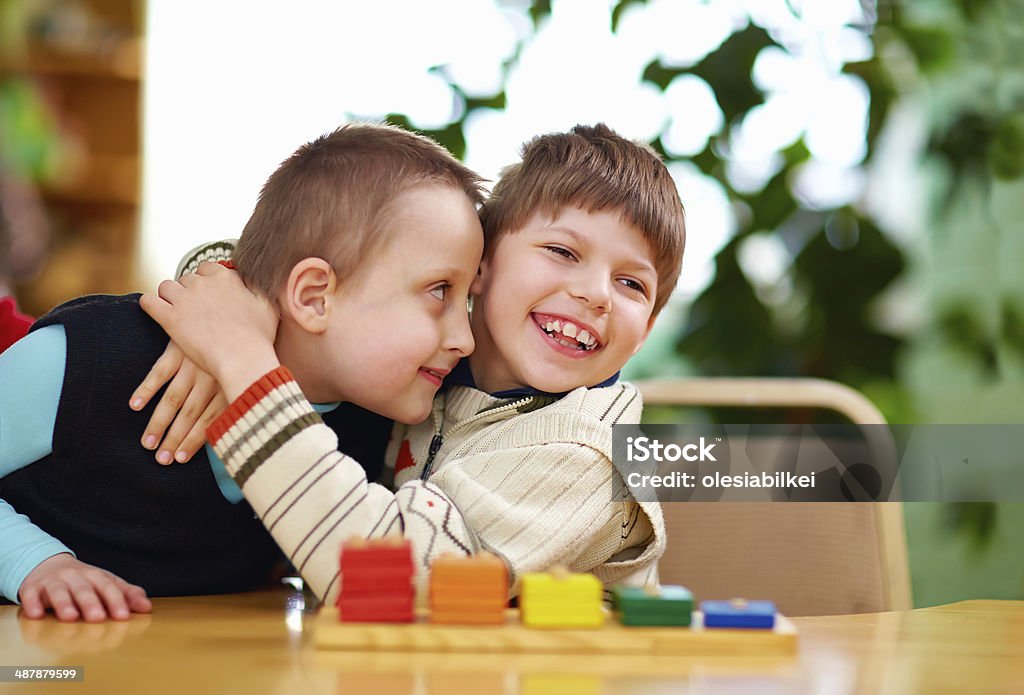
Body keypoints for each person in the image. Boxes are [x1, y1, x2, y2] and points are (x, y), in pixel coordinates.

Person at [142, 124, 686, 604]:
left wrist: (239, 355)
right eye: (563, 252)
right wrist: (225, 298)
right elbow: (325, 268)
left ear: (647, 332)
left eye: (632, 284)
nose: (596, 295)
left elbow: (380, 578)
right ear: (480, 263)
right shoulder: (431, 365)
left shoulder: (591, 456)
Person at [0, 123, 486, 621]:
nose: (464, 338)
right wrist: (34, 563)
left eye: (468, 300)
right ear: (314, 296)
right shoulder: (87, 357)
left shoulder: (370, 430)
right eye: (439, 291)